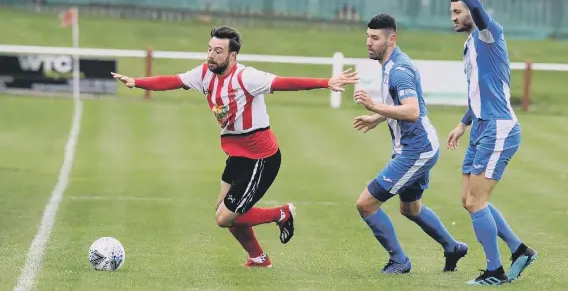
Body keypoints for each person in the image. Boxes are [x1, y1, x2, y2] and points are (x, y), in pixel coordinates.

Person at [111, 26, 359, 268]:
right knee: (224, 212)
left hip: (261, 157)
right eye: (209, 49)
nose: (211, 55)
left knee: (225, 217)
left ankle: (282, 213)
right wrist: (137, 82)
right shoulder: (204, 74)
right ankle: (259, 259)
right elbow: (173, 81)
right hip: (237, 154)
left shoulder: (247, 77)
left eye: (218, 51)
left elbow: (285, 82)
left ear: (233, 55)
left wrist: (326, 82)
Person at [430, 0, 538, 285]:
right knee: (468, 200)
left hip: (499, 128)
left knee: (477, 201)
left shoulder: (489, 34)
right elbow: (480, 92)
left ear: (471, 12)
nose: (454, 16)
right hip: (480, 127)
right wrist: (463, 123)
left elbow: (477, 7)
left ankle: (495, 270)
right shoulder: (470, 45)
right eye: (452, 11)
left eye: (458, 10)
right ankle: (520, 250)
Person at [353, 14, 468, 275]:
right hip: (417, 146)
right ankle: (452, 247)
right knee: (410, 208)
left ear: (391, 39)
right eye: (367, 37)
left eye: (375, 38)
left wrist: (373, 105)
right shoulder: (391, 64)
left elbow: (412, 111)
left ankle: (399, 261)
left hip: (417, 149)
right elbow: (400, 106)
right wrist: (376, 118)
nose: (369, 43)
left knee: (366, 204)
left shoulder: (399, 71)